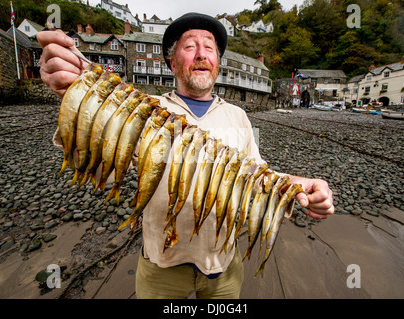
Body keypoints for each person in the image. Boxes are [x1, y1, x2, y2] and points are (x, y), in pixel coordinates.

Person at [37, 12, 334, 299]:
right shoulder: (144, 109)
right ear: (172, 62)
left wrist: (299, 184)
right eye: (190, 46)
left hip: (223, 266)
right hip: (161, 266)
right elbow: (102, 160)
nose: (201, 54)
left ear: (217, 62)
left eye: (209, 47)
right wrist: (73, 97)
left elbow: (256, 177)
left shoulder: (239, 117)